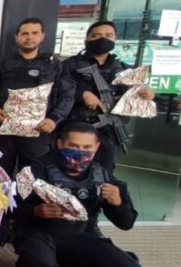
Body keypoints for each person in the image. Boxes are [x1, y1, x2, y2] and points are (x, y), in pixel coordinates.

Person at [13, 122, 145, 267]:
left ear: (97, 147)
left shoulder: (103, 175)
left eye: (86, 147)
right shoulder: (35, 170)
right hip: (40, 232)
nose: (80, 152)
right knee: (40, 261)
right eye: (73, 146)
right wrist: (36, 211)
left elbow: (126, 223)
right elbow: (9, 212)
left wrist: (118, 202)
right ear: (60, 144)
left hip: (80, 234)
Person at [0, 17, 75, 178]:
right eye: (24, 33)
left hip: (38, 134)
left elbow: (67, 96)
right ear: (16, 37)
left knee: (33, 178)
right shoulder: (2, 65)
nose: (29, 37)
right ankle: (2, 204)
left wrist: (54, 119)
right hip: (4, 133)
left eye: (34, 33)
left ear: (42, 36)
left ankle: (28, 204)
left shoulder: (55, 66)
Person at [62, 20, 155, 173]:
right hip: (77, 127)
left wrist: (146, 94)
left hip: (109, 131)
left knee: (104, 172)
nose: (102, 39)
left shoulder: (123, 69)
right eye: (96, 35)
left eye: (108, 35)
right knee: (73, 170)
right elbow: (58, 88)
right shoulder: (71, 65)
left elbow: (132, 97)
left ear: (114, 39)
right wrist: (82, 93)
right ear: (87, 40)